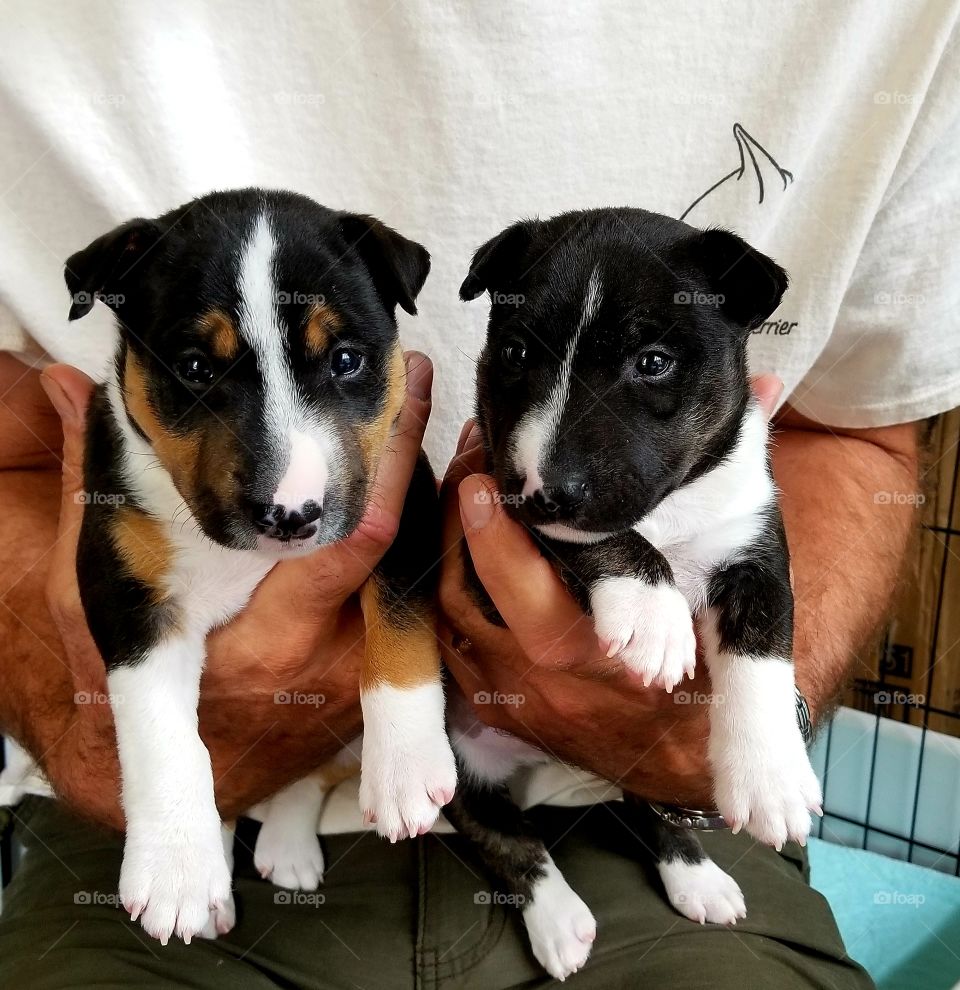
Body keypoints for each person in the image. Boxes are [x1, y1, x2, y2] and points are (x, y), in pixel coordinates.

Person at [0, 3, 957, 987]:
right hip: (139, 816)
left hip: (639, 795)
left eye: (341, 363)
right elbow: (11, 459)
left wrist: (731, 719)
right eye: (200, 376)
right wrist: (131, 751)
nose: (291, 475)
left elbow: (855, 430)